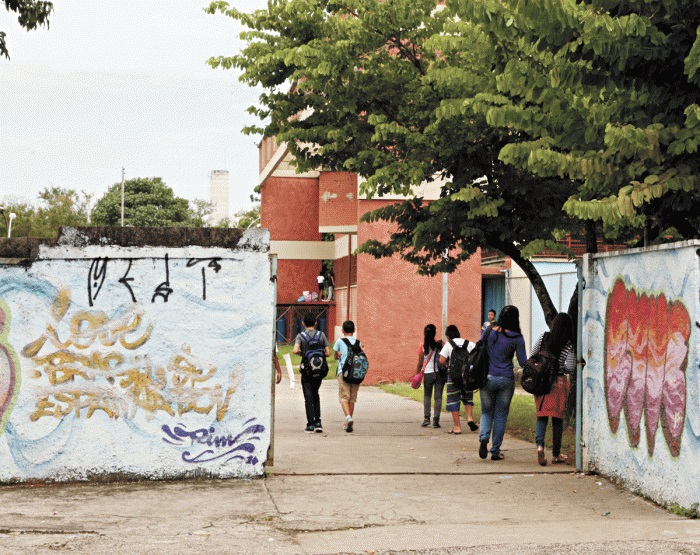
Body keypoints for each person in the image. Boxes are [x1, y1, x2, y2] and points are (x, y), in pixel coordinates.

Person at [478, 305, 527, 460]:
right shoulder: (517, 338)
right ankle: (495, 450)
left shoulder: (489, 331)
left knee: (486, 412)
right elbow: (523, 361)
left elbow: (479, 347)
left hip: (487, 377)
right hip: (506, 379)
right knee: (500, 415)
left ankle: (484, 436)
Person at [533, 313, 575, 466]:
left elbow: (533, 355)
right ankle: (556, 455)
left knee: (541, 416)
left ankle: (539, 446)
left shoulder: (543, 337)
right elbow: (570, 366)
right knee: (557, 419)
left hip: (542, 381)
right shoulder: (568, 344)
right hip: (558, 382)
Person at [293, 313, 330, 433]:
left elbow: (295, 350)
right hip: (318, 370)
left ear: (303, 323)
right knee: (316, 394)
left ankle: (310, 424)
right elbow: (328, 353)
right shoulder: (321, 335)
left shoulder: (300, 336)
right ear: (315, 323)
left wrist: (303, 354)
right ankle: (318, 422)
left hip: (307, 370)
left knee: (308, 397)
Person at [439, 324, 479, 434]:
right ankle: (470, 418)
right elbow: (476, 358)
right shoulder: (470, 343)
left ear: (448, 336)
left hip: (453, 376)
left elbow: (442, 360)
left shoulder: (448, 344)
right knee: (467, 397)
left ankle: (457, 427)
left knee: (453, 400)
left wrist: (449, 365)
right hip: (467, 376)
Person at [414, 324, 445, 428]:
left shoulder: (423, 347)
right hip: (439, 374)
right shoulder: (441, 345)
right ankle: (436, 420)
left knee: (427, 396)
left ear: (424, 333)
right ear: (435, 333)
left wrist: (417, 376)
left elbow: (419, 364)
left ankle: (426, 418)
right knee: (438, 397)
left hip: (428, 373)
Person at [333, 320, 361, 432]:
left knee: (344, 397)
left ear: (342, 330)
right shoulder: (358, 342)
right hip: (356, 373)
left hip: (343, 372)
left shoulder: (339, 341)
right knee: (352, 399)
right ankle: (348, 421)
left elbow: (335, 357)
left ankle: (348, 418)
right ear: (354, 330)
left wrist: (339, 354)